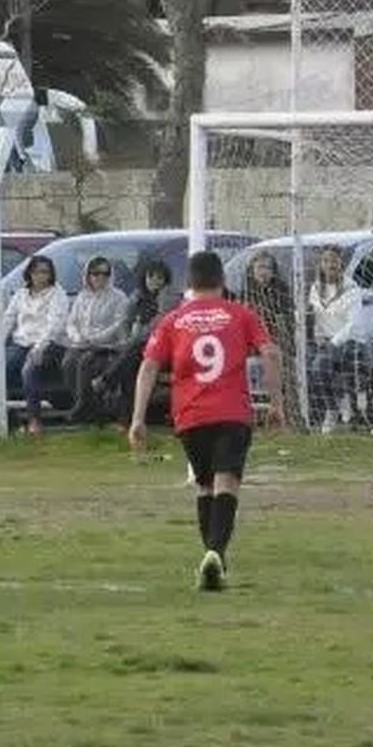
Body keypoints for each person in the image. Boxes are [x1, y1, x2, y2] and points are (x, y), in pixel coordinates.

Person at [128, 250, 285, 592]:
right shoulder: (241, 313)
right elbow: (271, 353)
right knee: (227, 482)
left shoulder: (172, 320)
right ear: (223, 281)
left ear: (188, 283)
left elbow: (149, 367)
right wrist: (276, 403)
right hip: (232, 412)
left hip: (190, 415)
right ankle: (215, 552)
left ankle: (214, 560)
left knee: (204, 485)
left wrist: (138, 418)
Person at [92, 258, 180, 423]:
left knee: (134, 353)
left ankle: (106, 381)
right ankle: (125, 418)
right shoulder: (138, 295)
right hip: (140, 348)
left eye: (159, 278)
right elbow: (125, 321)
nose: (154, 281)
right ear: (144, 278)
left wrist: (134, 341)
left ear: (165, 280)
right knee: (130, 364)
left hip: (164, 348)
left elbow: (157, 326)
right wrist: (127, 341)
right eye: (151, 277)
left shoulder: (169, 297)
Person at [2, 255, 70, 436]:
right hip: (21, 342)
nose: (41, 276)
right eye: (37, 271)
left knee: (29, 370)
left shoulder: (58, 294)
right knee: (2, 368)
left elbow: (55, 326)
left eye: (45, 272)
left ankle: (35, 420)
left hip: (49, 344)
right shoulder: (20, 294)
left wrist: (39, 347)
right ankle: (7, 418)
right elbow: (8, 320)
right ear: (29, 273)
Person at [305, 245, 370, 430]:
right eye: (325, 260)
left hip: (348, 341)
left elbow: (353, 324)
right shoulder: (316, 288)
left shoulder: (351, 288)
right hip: (323, 341)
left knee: (319, 365)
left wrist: (332, 343)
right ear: (321, 264)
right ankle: (334, 401)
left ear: (341, 262)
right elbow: (316, 317)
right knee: (304, 360)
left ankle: (331, 410)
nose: (330, 264)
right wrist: (316, 338)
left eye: (334, 260)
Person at [62, 256, 130, 423]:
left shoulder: (119, 297)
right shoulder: (82, 296)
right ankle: (85, 404)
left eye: (105, 274)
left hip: (109, 346)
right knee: (69, 362)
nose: (100, 277)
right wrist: (77, 337)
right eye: (95, 273)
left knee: (87, 361)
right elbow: (71, 322)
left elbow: (119, 325)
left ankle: (83, 406)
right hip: (81, 343)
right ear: (88, 275)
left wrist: (94, 339)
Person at [241, 251, 298, 416]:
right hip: (252, 342)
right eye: (259, 267)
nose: (263, 272)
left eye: (267, 267)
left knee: (282, 362)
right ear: (252, 270)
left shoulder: (281, 291)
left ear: (273, 271)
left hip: (275, 341)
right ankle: (248, 411)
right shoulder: (246, 292)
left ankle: (288, 410)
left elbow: (288, 321)